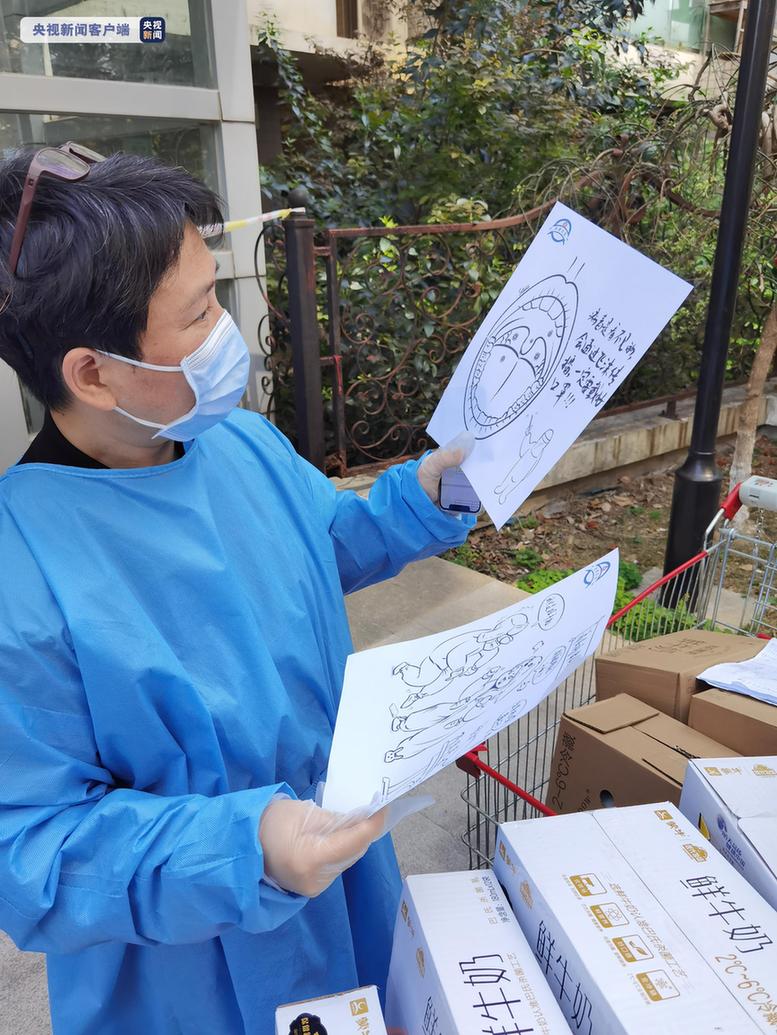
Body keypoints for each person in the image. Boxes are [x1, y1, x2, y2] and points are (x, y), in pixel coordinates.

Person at [0, 145, 475, 1033]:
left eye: (215, 293)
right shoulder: (20, 569)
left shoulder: (240, 444)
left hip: (344, 889)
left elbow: (317, 545)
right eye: (199, 312)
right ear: (91, 372)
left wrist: (424, 496)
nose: (228, 331)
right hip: (182, 976)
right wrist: (243, 846)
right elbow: (33, 849)